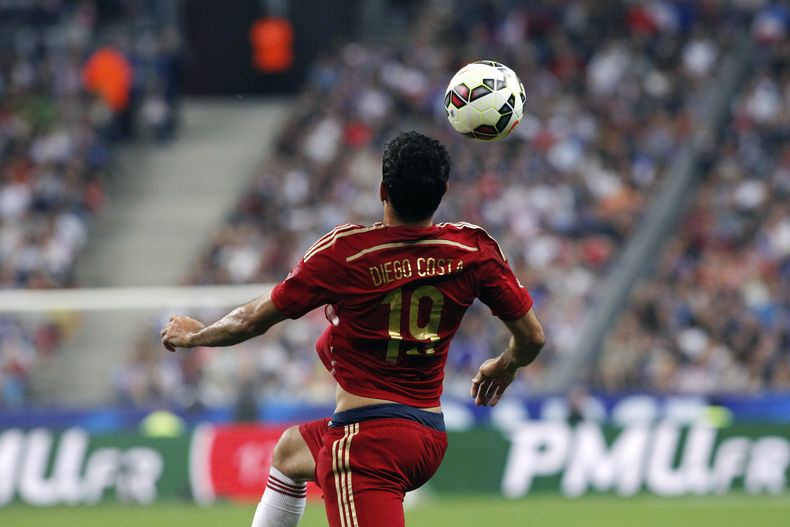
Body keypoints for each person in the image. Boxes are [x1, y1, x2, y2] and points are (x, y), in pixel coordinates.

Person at [161, 131, 545, 527]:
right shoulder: (472, 249)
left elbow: (251, 320)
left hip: (369, 442)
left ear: (382, 189)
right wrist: (506, 364)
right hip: (427, 435)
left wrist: (195, 336)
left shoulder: (348, 252)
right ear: (444, 190)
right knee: (291, 452)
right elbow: (533, 338)